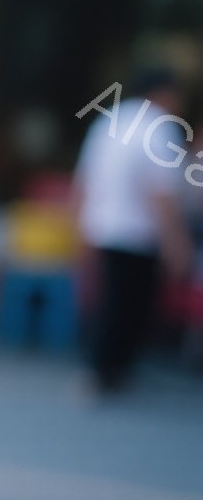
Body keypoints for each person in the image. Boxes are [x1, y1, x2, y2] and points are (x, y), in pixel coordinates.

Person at [72, 67, 194, 392]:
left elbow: (85, 177)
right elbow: (161, 193)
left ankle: (104, 368)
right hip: (138, 233)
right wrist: (176, 242)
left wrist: (79, 223)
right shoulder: (160, 127)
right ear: (164, 92)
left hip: (102, 226)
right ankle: (110, 370)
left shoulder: (111, 119)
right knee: (130, 305)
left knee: (111, 300)